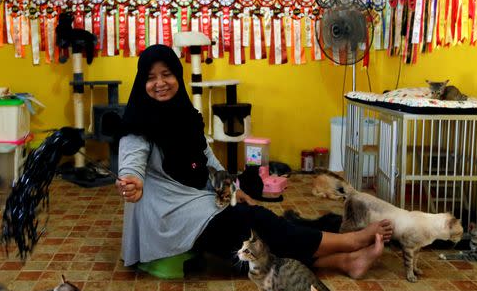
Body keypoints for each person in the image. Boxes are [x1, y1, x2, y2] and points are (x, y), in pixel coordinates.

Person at [116, 44, 392, 278]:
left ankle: (344, 261)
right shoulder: (138, 122)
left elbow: (206, 156)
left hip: (197, 202)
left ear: (178, 76)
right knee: (254, 223)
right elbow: (132, 158)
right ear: (142, 83)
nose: (160, 83)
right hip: (169, 215)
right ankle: (350, 241)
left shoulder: (185, 115)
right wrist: (133, 181)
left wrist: (232, 188)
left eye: (167, 74)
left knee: (259, 234)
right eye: (151, 78)